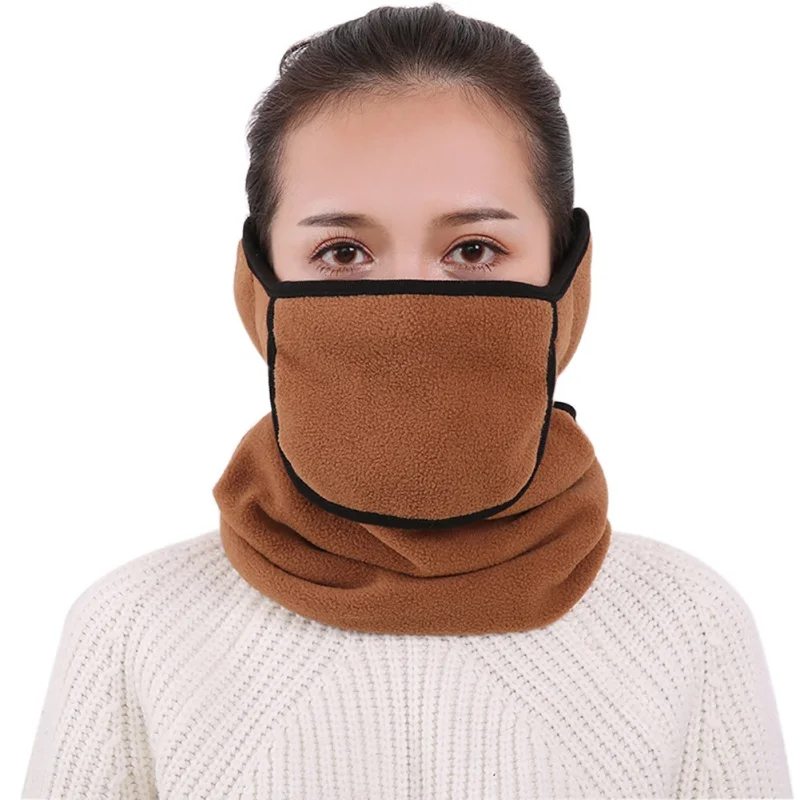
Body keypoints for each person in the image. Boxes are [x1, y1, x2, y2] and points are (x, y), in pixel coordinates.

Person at [22, 4, 793, 799]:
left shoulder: (687, 628)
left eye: (473, 249)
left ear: (569, 278)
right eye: (342, 252)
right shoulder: (134, 633)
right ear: (259, 283)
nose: (410, 312)